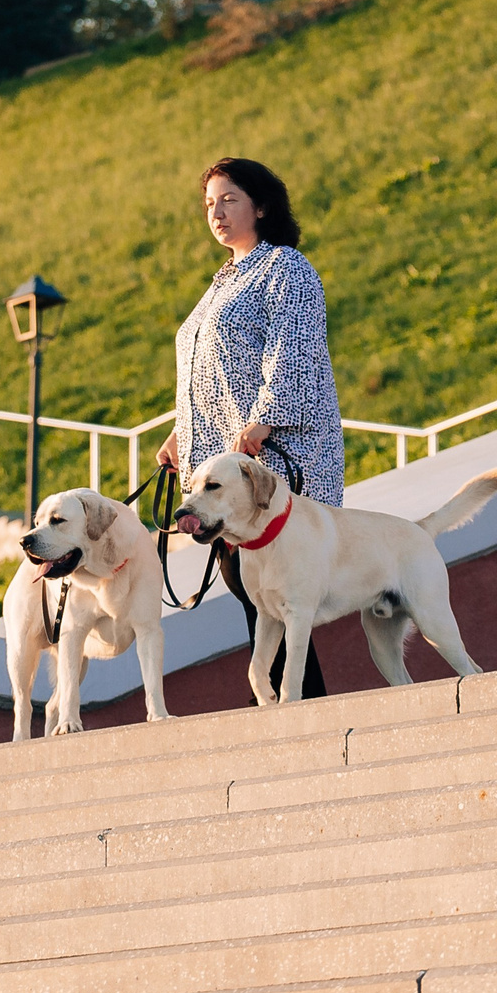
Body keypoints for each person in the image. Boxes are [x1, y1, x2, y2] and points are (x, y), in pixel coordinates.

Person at [157, 156, 345, 699]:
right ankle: (284, 712)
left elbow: (295, 345)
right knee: (255, 596)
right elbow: (208, 374)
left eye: (229, 199)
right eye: (209, 203)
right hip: (225, 481)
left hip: (274, 468)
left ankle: (299, 717)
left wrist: (264, 417)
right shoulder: (221, 283)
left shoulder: (285, 267)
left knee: (282, 601)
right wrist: (182, 435)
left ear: (261, 206)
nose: (216, 212)